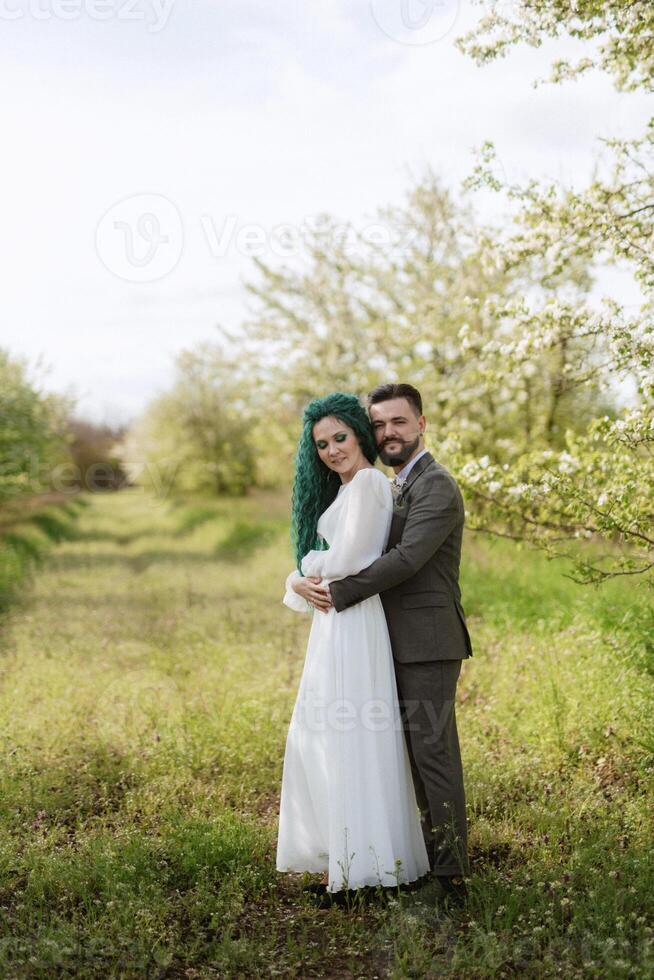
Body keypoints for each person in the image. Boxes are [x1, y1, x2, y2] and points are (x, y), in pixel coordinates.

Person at [291, 383, 473, 904]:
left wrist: (333, 593)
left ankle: (451, 879)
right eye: (380, 424)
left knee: (431, 755)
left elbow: (405, 561)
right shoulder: (390, 485)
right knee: (392, 754)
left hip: (427, 642)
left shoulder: (436, 486)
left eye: (399, 422)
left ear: (421, 424)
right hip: (386, 638)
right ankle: (398, 862)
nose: (388, 432)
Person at [276, 392, 431, 900]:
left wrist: (302, 572)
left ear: (360, 435)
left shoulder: (368, 484)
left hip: (354, 619)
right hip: (335, 622)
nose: (332, 450)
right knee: (326, 733)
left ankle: (364, 869)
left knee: (352, 734)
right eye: (321, 444)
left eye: (340, 437)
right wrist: (300, 578)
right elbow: (331, 561)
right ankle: (346, 862)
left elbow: (352, 557)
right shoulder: (345, 491)